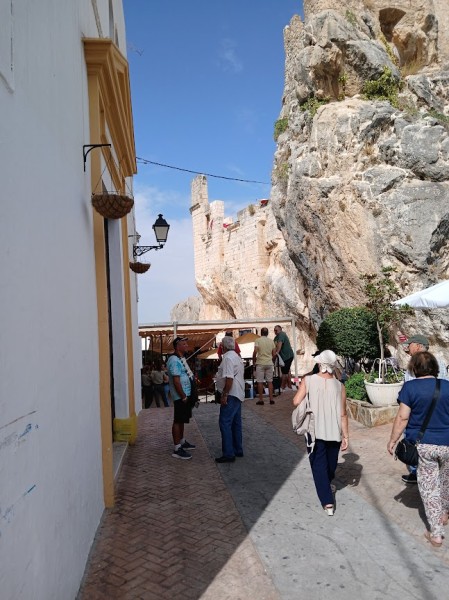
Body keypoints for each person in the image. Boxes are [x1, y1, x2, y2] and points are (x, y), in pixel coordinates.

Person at [388, 351, 449, 547]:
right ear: (435, 367)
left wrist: (392, 440)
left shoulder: (410, 387)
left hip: (424, 445)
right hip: (447, 443)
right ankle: (444, 514)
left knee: (430, 487)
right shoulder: (447, 386)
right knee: (445, 481)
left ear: (414, 368)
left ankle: (436, 534)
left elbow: (403, 417)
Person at [292, 350, 349, 516]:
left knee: (319, 465)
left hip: (314, 431)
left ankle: (327, 498)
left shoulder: (308, 380)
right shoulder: (340, 386)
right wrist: (346, 436)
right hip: (334, 431)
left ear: (320, 364)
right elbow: (343, 414)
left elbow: (296, 401)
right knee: (330, 464)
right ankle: (327, 498)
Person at [400, 334, 448, 484]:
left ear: (418, 346)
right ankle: (425, 474)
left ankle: (420, 474)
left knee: (418, 445)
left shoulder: (420, 363)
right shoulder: (436, 362)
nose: (408, 348)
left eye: (410, 345)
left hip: (419, 414)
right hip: (435, 414)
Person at [215, 335, 245, 463]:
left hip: (231, 394)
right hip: (238, 393)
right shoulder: (237, 357)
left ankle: (228, 453)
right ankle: (238, 449)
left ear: (223, 346)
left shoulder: (227, 358)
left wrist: (224, 394)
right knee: (236, 423)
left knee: (225, 422)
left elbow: (229, 378)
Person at [167, 337, 196, 460]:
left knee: (182, 419)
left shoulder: (181, 358)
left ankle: (182, 441)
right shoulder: (174, 360)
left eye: (186, 343)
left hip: (185, 394)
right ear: (177, 346)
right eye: (184, 344)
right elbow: (176, 381)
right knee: (178, 420)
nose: (186, 345)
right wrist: (183, 396)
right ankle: (177, 448)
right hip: (180, 396)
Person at [252, 327, 276, 405]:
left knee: (260, 381)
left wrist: (254, 361)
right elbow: (274, 354)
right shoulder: (271, 341)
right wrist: (272, 361)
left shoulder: (258, 340)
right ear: (267, 333)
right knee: (270, 381)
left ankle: (261, 400)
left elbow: (255, 352)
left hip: (260, 363)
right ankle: (271, 399)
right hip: (269, 363)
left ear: (261, 333)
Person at [274, 325, 294, 391]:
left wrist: (276, 353)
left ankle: (282, 387)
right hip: (283, 357)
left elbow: (279, 345)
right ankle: (289, 386)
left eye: (276, 330)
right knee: (287, 371)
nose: (275, 331)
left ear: (280, 329)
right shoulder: (276, 337)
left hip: (287, 356)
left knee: (284, 372)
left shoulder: (281, 334)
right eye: (274, 330)